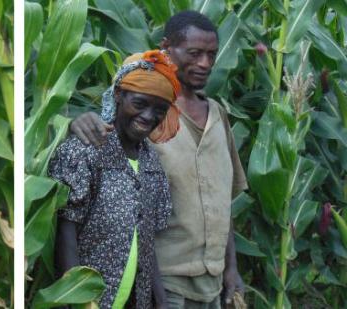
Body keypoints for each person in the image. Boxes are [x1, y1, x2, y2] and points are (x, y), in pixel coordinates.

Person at [69, 11, 247, 309]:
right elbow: (96, 146)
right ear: (166, 48)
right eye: (194, 53)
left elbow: (222, 204)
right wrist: (75, 123)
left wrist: (231, 268)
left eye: (211, 54)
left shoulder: (219, 116)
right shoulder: (144, 114)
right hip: (162, 281)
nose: (205, 63)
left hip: (213, 286)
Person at [49, 50, 181, 308]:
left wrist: (161, 301)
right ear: (119, 95)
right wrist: (75, 298)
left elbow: (146, 243)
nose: (148, 116)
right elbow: (66, 231)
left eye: (159, 110)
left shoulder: (152, 163)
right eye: (140, 104)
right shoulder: (85, 150)